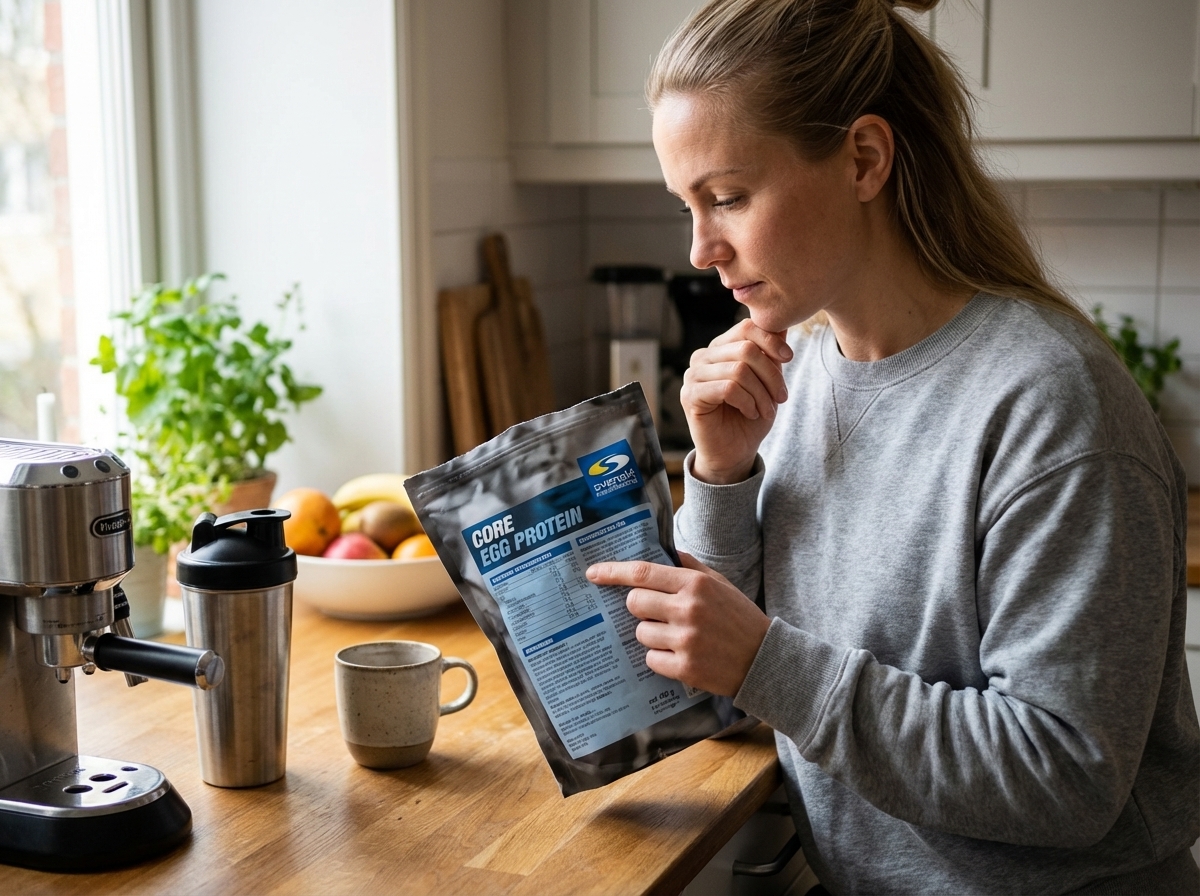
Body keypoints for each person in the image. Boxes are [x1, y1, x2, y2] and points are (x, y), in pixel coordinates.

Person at [583, 0, 1200, 892]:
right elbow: (721, 680)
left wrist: (764, 661)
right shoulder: (802, 371)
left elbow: (1065, 777)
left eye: (727, 197)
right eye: (688, 205)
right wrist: (720, 471)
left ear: (864, 159)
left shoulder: (1051, 405)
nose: (700, 248)